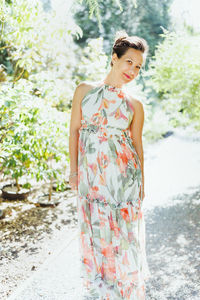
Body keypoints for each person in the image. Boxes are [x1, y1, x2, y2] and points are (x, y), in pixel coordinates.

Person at [69, 31, 151, 300]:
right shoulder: (84, 91)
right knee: (96, 237)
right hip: (92, 180)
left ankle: (124, 295)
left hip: (124, 184)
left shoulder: (135, 105)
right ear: (114, 58)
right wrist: (73, 171)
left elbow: (137, 145)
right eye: (129, 62)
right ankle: (101, 295)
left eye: (138, 66)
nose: (133, 70)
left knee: (124, 242)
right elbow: (75, 132)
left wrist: (142, 185)